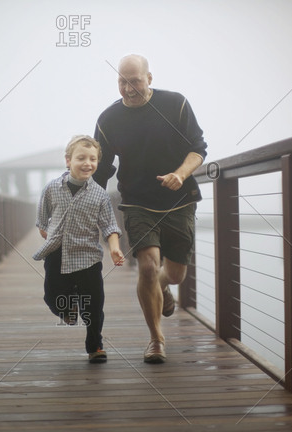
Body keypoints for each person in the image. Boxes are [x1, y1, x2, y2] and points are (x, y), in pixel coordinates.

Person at [92, 54, 207, 363]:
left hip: (179, 200)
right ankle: (156, 340)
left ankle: (161, 287)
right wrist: (86, 208)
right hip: (137, 202)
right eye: (122, 82)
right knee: (146, 266)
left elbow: (198, 149)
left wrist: (180, 175)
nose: (128, 89)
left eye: (135, 81)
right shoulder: (108, 119)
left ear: (150, 78)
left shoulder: (176, 104)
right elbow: (101, 170)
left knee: (175, 274)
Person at [33, 135, 125, 363]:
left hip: (88, 257)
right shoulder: (52, 188)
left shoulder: (100, 195)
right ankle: (67, 310)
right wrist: (49, 234)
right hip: (57, 254)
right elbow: (42, 220)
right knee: (52, 296)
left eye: (93, 159)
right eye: (81, 158)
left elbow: (110, 226)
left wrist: (114, 248)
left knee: (94, 305)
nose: (87, 163)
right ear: (68, 161)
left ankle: (95, 346)